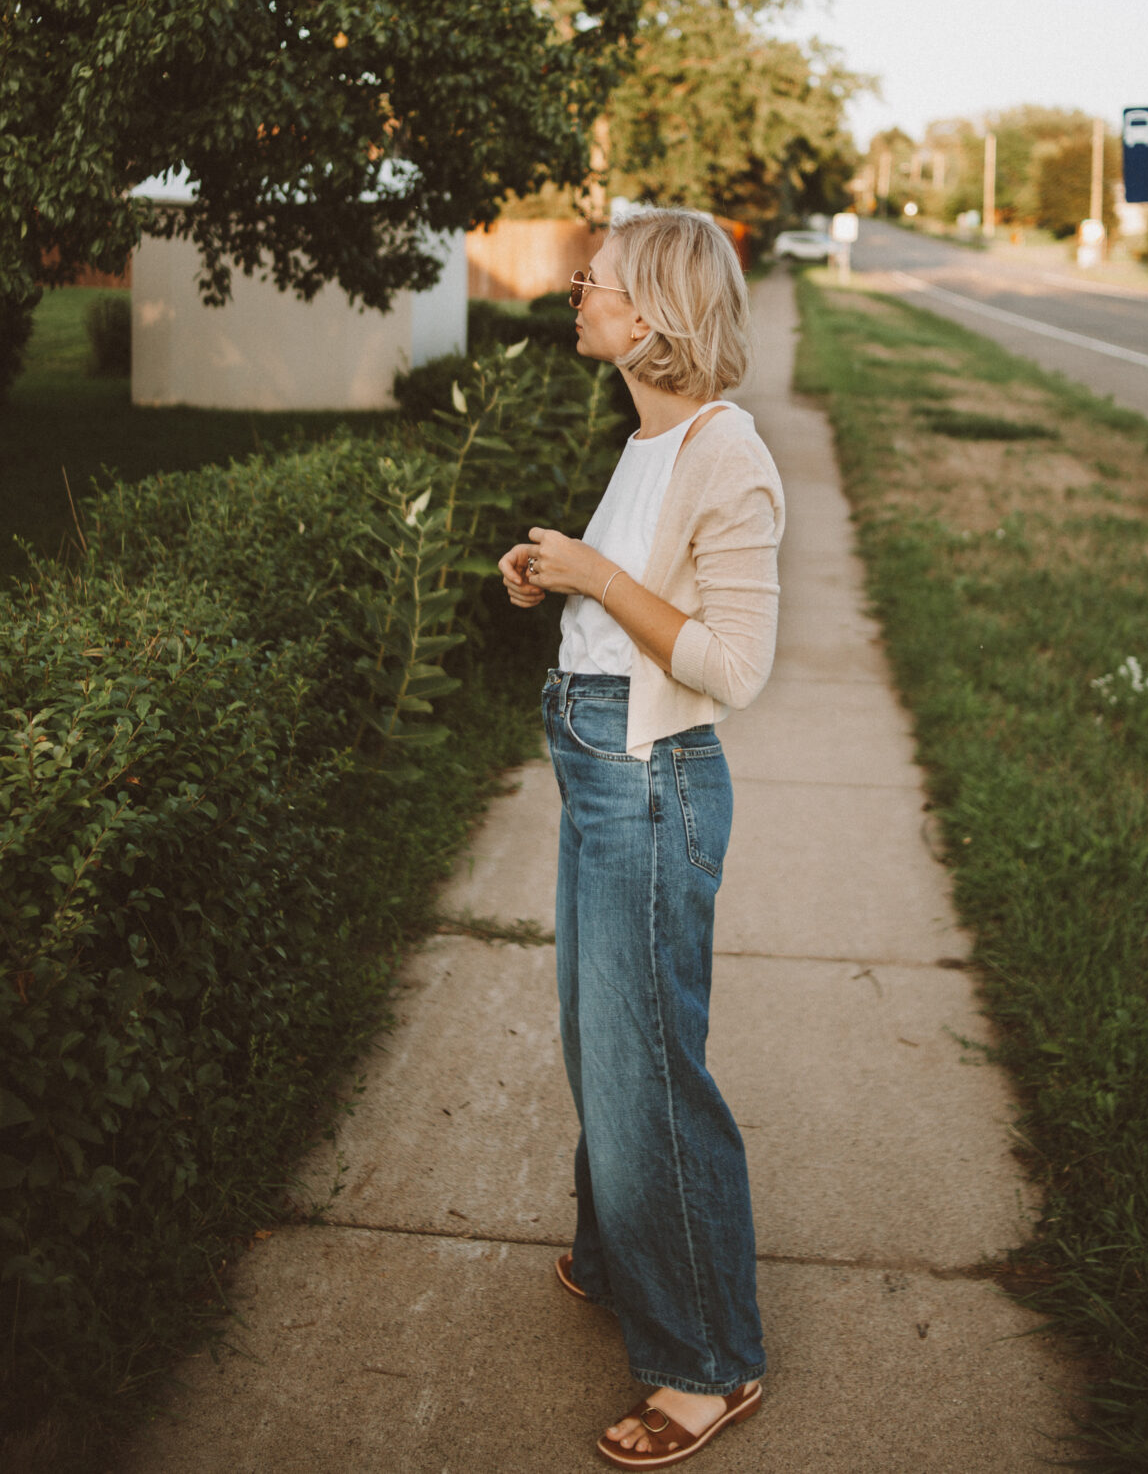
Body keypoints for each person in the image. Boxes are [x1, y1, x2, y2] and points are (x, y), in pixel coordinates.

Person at [498, 207, 784, 1468]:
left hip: (651, 781)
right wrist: (551, 577)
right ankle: (623, 1249)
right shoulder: (649, 441)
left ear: (653, 314)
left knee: (648, 1067)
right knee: (593, 1035)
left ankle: (704, 1360)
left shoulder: (730, 456)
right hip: (597, 766)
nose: (575, 287)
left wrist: (596, 580)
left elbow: (730, 663)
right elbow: (621, 609)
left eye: (595, 280)